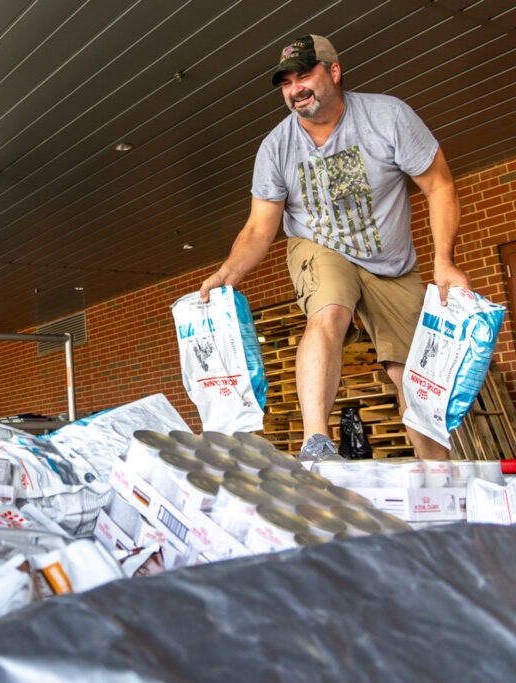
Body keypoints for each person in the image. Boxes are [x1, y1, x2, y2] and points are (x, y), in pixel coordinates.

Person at [198, 34, 470, 461]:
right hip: (319, 245)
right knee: (330, 311)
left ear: (334, 72)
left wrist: (444, 263)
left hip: (391, 264)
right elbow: (258, 228)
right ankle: (316, 443)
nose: (295, 89)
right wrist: (226, 275)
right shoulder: (276, 147)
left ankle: (438, 475)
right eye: (286, 83)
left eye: (304, 75)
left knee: (412, 373)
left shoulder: (388, 116)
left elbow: (439, 185)